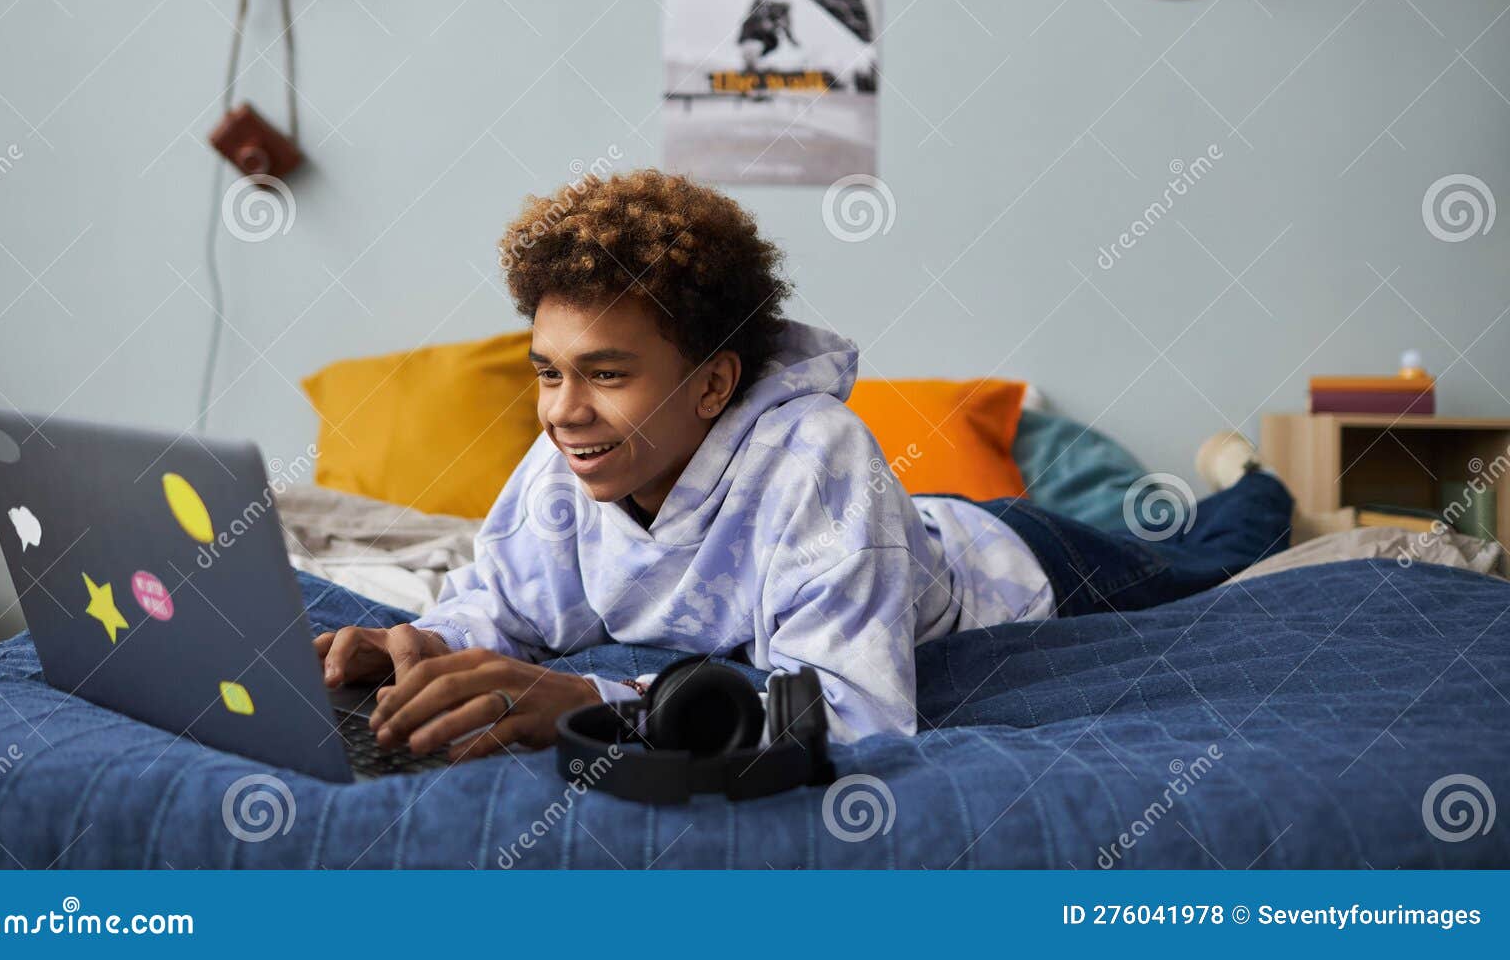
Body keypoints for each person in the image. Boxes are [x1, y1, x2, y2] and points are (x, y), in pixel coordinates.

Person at [315, 169, 1292, 762]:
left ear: (711, 383)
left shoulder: (816, 459)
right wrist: (426, 642)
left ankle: (1245, 468)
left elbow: (859, 714)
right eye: (548, 373)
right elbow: (509, 601)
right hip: (900, 535)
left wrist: (590, 703)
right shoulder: (564, 457)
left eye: (606, 375)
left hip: (1014, 557)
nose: (564, 411)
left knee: (1211, 549)